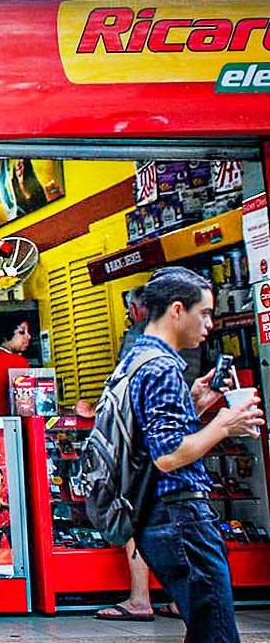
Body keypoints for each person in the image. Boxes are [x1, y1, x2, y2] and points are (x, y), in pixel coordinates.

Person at [126, 266, 263, 642]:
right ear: (176, 310)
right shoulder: (162, 367)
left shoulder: (138, 358)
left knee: (204, 629)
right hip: (181, 515)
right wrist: (225, 425)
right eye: (203, 313)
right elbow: (168, 455)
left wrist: (194, 405)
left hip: (158, 516)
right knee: (216, 632)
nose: (210, 324)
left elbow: (150, 435)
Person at [96, 284, 174, 622]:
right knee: (172, 518)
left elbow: (124, 390)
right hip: (171, 447)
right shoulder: (179, 341)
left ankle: (140, 598)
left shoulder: (140, 341)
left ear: (139, 309)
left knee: (135, 518)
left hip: (142, 447)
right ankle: (181, 598)